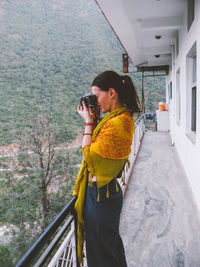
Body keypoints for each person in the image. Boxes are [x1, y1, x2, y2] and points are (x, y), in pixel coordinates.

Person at [73, 70, 141, 267]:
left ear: (112, 92)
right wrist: (93, 120)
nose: (95, 101)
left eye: (97, 96)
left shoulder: (117, 122)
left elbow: (90, 157)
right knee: (109, 248)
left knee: (101, 254)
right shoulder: (118, 119)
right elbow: (99, 146)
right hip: (106, 193)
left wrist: (88, 122)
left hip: (101, 196)